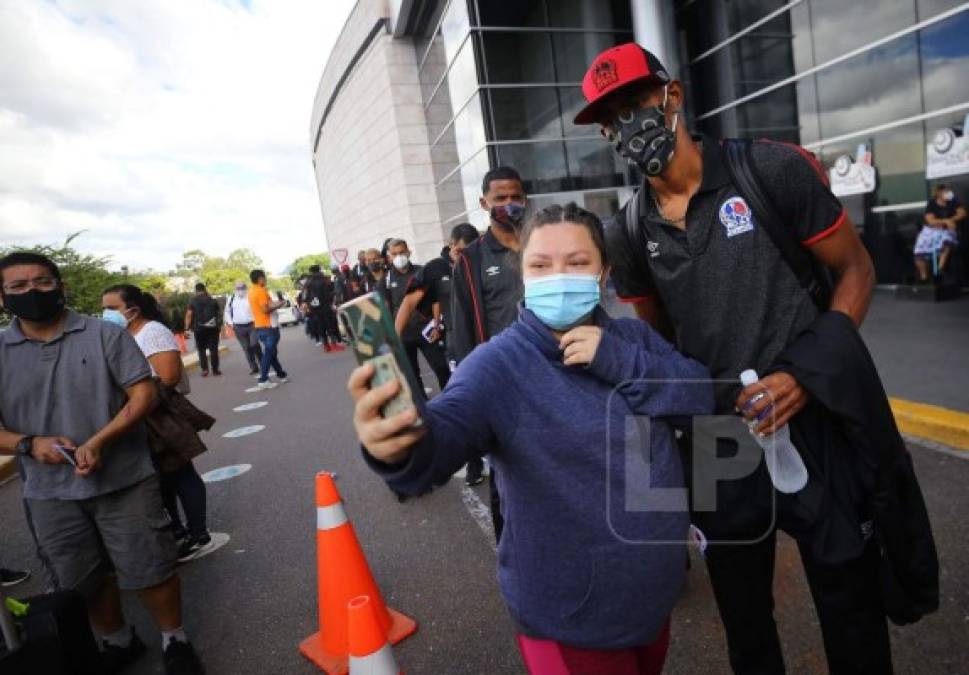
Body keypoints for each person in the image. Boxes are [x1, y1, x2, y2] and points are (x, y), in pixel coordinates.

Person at [574, 42, 906, 674]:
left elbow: (855, 270)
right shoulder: (626, 230)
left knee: (850, 602)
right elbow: (664, 337)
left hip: (815, 421)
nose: (626, 128)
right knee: (746, 621)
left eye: (635, 104)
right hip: (719, 442)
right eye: (610, 120)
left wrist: (805, 375)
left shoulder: (770, 170)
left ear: (672, 97)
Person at [349, 204, 713, 675]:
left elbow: (701, 395)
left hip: (652, 596)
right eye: (541, 264)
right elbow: (439, 443)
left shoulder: (633, 338)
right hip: (569, 621)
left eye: (577, 262)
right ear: (524, 274)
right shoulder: (498, 364)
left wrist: (619, 361)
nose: (559, 275)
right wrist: (398, 446)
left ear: (603, 272)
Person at [0, 252, 203, 674]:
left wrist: (101, 440)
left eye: (42, 281)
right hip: (49, 492)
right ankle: (118, 640)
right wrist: (28, 444)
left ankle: (174, 639)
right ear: (2, 297)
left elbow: (143, 394)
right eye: (18, 286)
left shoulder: (104, 335)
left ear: (61, 286)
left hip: (126, 478)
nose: (32, 292)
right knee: (82, 577)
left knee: (151, 565)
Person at [101, 284, 214, 563]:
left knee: (179, 472)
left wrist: (140, 402)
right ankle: (174, 530)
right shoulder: (119, 334)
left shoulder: (152, 332)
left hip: (157, 414)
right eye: (103, 308)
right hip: (136, 414)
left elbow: (168, 376)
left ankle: (197, 533)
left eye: (112, 308)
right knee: (158, 478)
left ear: (133, 309)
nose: (105, 314)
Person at [450, 166, 527, 509]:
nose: (509, 205)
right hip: (504, 379)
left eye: (515, 197)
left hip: (556, 370)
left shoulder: (544, 242)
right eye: (500, 198)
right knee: (508, 475)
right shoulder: (471, 259)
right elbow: (464, 328)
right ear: (484, 203)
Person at [393, 223, 480, 371]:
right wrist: (395, 339)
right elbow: (409, 303)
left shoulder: (481, 263)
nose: (465, 256)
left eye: (469, 251)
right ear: (450, 244)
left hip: (485, 335)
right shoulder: (436, 268)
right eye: (460, 251)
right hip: (456, 341)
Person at [385, 238, 449, 391]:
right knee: (412, 375)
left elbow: (436, 300)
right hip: (403, 335)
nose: (399, 256)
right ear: (389, 256)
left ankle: (450, 400)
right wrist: (392, 336)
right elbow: (386, 308)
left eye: (401, 252)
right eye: (394, 254)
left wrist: (437, 325)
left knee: (442, 368)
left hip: (426, 331)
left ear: (408, 252)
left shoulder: (423, 272)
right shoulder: (386, 280)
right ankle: (423, 408)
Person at [914, 183, 964, 282]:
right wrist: (945, 221)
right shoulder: (932, 203)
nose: (948, 193)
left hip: (946, 230)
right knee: (919, 252)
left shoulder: (953, 202)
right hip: (931, 230)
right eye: (945, 191)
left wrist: (951, 219)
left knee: (946, 242)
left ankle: (940, 270)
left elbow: (962, 213)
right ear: (939, 193)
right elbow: (930, 220)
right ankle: (924, 276)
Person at [248, 269, 288, 390]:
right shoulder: (260, 291)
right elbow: (265, 309)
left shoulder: (252, 291)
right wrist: (280, 304)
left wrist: (278, 303)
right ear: (260, 278)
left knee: (271, 353)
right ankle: (263, 379)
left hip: (260, 326)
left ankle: (281, 374)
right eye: (264, 277)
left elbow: (269, 304)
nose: (265, 279)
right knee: (269, 352)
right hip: (269, 326)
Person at [223, 281, 264, 375]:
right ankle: (253, 367)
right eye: (238, 288)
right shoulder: (231, 299)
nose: (240, 290)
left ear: (245, 288)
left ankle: (263, 363)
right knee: (246, 348)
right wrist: (231, 324)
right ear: (235, 289)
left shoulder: (250, 296)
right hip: (238, 327)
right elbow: (227, 312)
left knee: (254, 344)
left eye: (242, 288)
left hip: (252, 325)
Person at [301, 265, 344, 352]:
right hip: (325, 306)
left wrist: (308, 304)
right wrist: (333, 295)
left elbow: (305, 296)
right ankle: (334, 344)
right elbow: (326, 294)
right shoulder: (323, 280)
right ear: (319, 270)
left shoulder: (307, 282)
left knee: (321, 326)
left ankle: (326, 346)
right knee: (330, 325)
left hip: (314, 308)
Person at [183, 283, 221, 377]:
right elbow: (218, 314)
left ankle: (204, 370)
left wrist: (186, 328)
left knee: (201, 350)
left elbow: (189, 315)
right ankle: (215, 369)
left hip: (199, 328)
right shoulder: (212, 300)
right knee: (213, 349)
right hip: (212, 328)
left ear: (196, 291)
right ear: (205, 289)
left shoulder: (193, 301)